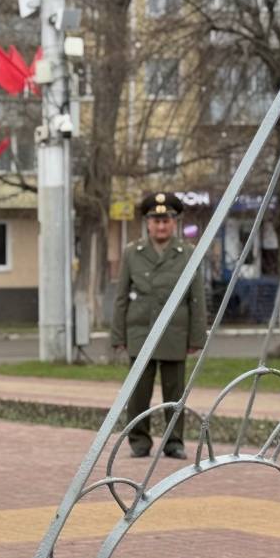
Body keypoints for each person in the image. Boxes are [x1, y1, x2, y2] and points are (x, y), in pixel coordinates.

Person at [111, 192, 207, 460]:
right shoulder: (133, 253)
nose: (161, 226)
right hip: (140, 332)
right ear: (147, 223)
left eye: (166, 221)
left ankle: (174, 442)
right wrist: (118, 335)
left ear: (174, 223)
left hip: (175, 333)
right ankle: (139, 442)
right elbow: (121, 297)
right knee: (138, 393)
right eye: (156, 221)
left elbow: (196, 298)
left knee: (174, 393)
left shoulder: (187, 253)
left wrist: (196, 338)